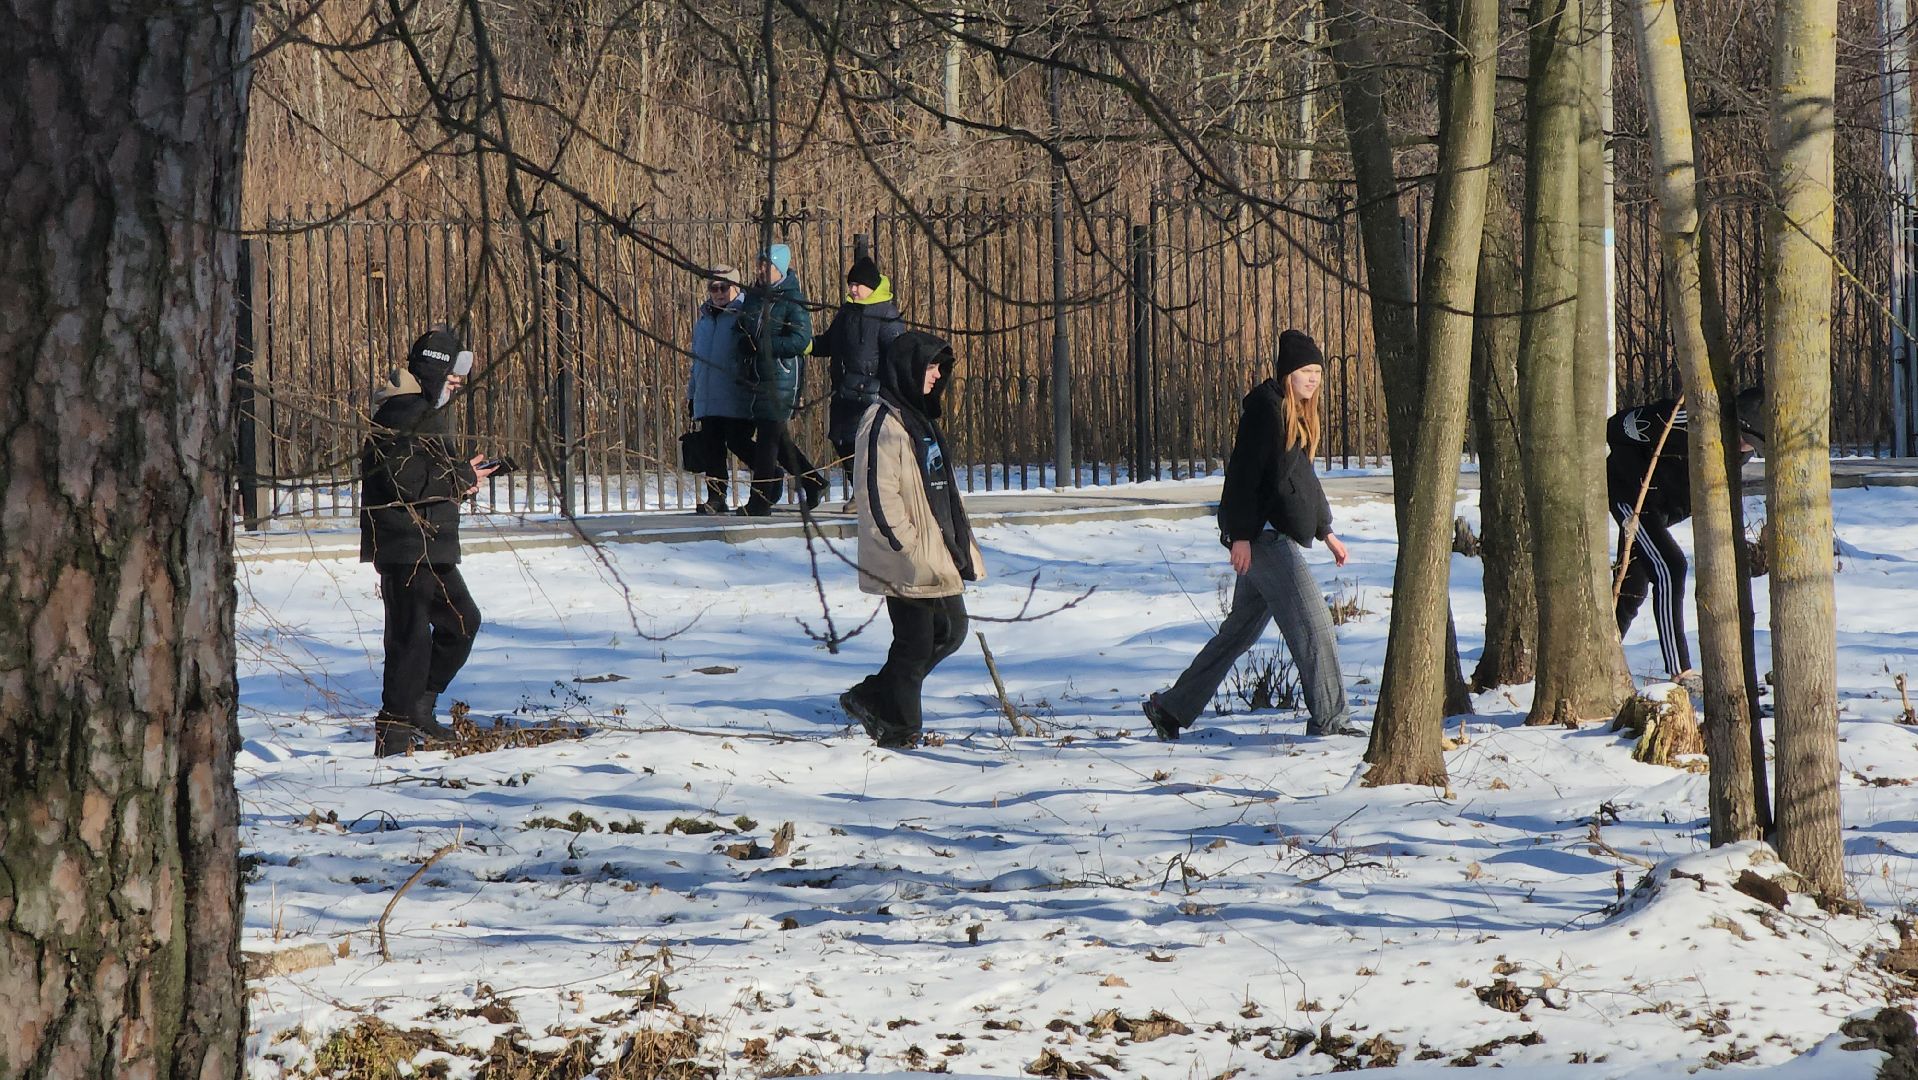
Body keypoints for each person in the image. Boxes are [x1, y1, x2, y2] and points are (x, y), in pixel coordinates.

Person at [1142, 330, 1359, 740]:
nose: (1312, 379)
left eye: (1317, 372)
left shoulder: (1294, 414)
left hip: (1268, 538)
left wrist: (1325, 530)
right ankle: (1332, 721)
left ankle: (1170, 708)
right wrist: (1239, 536)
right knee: (1315, 628)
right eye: (1304, 371)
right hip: (1263, 542)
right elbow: (1242, 476)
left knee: (1236, 635)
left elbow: (1302, 479)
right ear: (1287, 373)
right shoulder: (1265, 412)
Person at [839, 331, 987, 748]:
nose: (936, 375)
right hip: (906, 555)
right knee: (916, 641)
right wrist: (905, 545)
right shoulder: (882, 421)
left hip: (937, 551)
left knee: (951, 630)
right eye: (930, 366)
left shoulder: (919, 417)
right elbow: (877, 492)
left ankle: (873, 696)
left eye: (941, 368)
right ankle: (900, 729)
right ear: (908, 367)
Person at [360, 326, 500, 756]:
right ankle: (396, 733)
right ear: (434, 371)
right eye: (453, 381)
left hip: (427, 545)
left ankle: (420, 707)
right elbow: (404, 480)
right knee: (409, 640)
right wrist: (460, 477)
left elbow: (423, 473)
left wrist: (462, 478)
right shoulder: (404, 413)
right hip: (408, 545)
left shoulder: (420, 411)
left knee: (461, 622)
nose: (455, 389)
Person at [1606, 385, 1766, 682]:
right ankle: (1679, 670)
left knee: (1631, 586)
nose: (1746, 450)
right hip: (1631, 494)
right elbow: (1615, 429)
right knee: (1670, 567)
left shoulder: (1739, 451)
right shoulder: (1682, 421)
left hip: (1664, 509)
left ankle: (1598, 657)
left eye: (1753, 446)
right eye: (1746, 440)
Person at [737, 243, 827, 515]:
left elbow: (800, 340)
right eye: (760, 264)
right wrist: (744, 340)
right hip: (756, 377)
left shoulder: (792, 299)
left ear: (780, 268)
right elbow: (746, 326)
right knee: (777, 439)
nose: (762, 270)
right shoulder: (754, 297)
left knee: (768, 439)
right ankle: (814, 482)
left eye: (768, 266)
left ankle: (759, 502)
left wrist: (765, 345)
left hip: (782, 377)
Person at [813, 254, 905, 511]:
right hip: (844, 388)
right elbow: (830, 342)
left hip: (871, 392)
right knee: (840, 439)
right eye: (850, 285)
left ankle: (867, 494)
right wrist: (807, 345)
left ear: (871, 285)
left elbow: (896, 353)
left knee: (863, 443)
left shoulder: (886, 314)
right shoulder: (847, 310)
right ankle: (861, 489)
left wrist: (886, 385)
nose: (853, 289)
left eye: (857, 285)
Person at [685, 266, 756, 515]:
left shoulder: (744, 315)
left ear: (736, 288)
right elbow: (696, 361)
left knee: (740, 442)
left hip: (735, 393)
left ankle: (768, 475)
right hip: (707, 393)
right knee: (712, 447)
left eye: (723, 287)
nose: (718, 293)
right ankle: (716, 496)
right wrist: (692, 394)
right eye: (713, 288)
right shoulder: (704, 319)